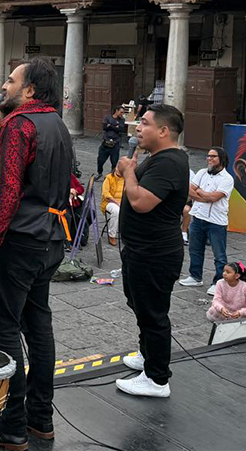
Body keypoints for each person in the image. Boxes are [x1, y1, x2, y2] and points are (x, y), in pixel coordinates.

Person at [0, 58, 72, 448]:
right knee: (38, 325)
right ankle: (40, 419)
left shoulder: (20, 125)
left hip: (19, 241)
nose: (4, 86)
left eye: (11, 81)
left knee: (5, 328)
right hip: (50, 239)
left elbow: (8, 191)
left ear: (29, 90)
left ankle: (11, 426)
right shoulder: (56, 123)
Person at [115, 103, 189, 399]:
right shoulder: (159, 158)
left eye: (144, 123)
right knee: (141, 307)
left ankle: (157, 379)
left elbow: (141, 202)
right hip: (139, 250)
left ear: (164, 130)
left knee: (154, 315)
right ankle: (148, 356)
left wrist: (128, 171)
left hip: (155, 254)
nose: (138, 128)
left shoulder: (169, 161)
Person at [179, 147, 234, 288]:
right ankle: (195, 277)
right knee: (194, 250)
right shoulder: (202, 172)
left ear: (221, 159)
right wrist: (205, 197)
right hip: (197, 217)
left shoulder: (227, 179)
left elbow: (214, 197)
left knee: (219, 255)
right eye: (208, 156)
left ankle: (219, 282)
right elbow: (189, 190)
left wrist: (200, 192)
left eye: (213, 156)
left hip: (216, 222)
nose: (209, 158)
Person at [97, 105, 127, 175]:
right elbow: (104, 127)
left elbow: (121, 129)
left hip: (115, 143)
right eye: (121, 112)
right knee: (100, 160)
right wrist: (115, 126)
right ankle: (99, 173)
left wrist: (110, 125)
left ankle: (112, 175)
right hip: (106, 142)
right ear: (116, 111)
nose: (122, 114)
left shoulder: (122, 120)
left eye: (123, 113)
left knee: (114, 161)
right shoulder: (107, 117)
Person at [101, 166, 125, 246]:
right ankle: (112, 235)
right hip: (109, 202)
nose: (118, 170)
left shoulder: (127, 180)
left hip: (123, 202)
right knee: (117, 211)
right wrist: (117, 202)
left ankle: (129, 235)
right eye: (118, 168)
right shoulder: (109, 178)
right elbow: (106, 194)